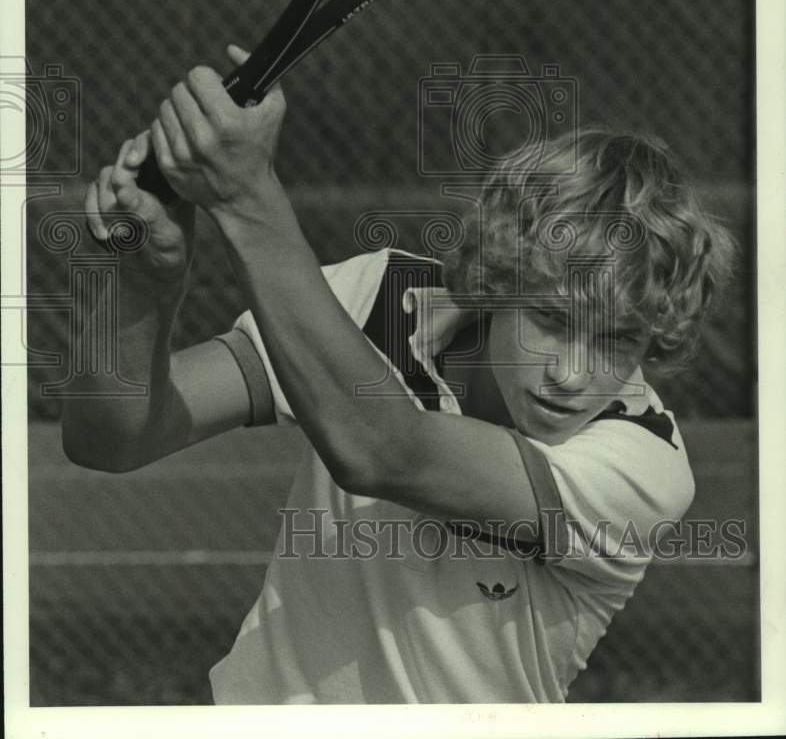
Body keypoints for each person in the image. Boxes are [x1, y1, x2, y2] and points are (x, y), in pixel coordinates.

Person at [67, 46, 735, 703]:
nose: (570, 374)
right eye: (552, 320)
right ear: (502, 277)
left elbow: (384, 452)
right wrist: (141, 282)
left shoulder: (643, 466)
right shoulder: (382, 293)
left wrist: (246, 195)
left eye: (618, 341)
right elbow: (113, 438)